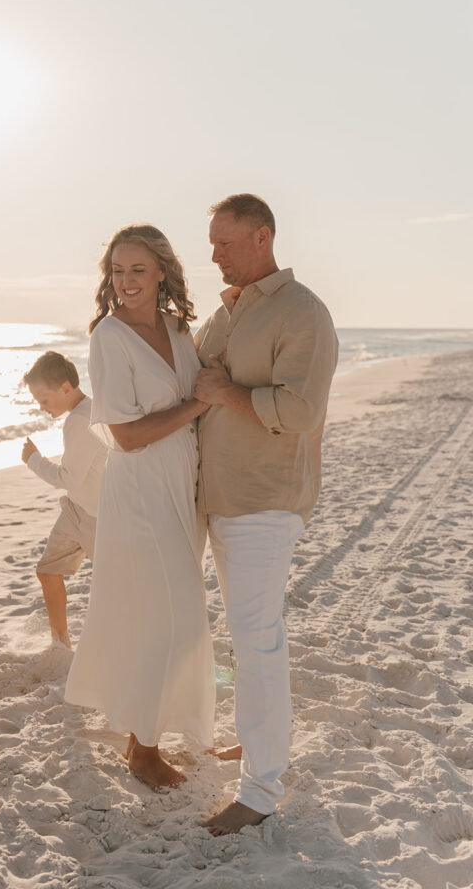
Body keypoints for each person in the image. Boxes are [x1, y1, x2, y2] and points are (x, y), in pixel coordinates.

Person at [193, 193, 338, 835]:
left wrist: (226, 391)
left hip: (267, 500)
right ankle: (256, 745)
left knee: (257, 642)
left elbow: (301, 409)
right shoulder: (226, 314)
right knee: (244, 640)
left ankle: (260, 790)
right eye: (213, 244)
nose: (215, 254)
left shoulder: (302, 312)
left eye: (225, 243)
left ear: (263, 237)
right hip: (220, 498)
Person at [65, 224, 216, 790]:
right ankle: (143, 749)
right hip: (138, 489)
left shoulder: (180, 329)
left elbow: (203, 389)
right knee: (177, 615)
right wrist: (197, 405)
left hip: (182, 483)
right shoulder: (109, 335)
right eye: (117, 271)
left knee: (166, 614)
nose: (125, 282)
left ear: (161, 272)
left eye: (136, 270)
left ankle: (143, 736)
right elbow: (126, 436)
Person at [21, 350, 107, 648]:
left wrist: (33, 460)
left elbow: (68, 477)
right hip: (76, 510)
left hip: (98, 518)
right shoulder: (87, 411)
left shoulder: (80, 421)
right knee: (47, 571)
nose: (42, 408)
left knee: (115, 586)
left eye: (44, 400)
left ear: (66, 388)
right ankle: (61, 643)